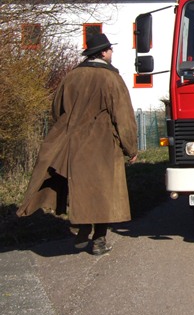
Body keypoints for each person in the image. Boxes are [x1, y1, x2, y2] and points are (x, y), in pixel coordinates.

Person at [17, 34, 138, 255]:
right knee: (103, 193)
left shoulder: (71, 77)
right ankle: (99, 240)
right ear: (103, 52)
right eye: (110, 49)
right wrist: (131, 148)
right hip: (103, 144)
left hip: (73, 142)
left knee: (81, 189)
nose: (112, 53)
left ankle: (82, 229)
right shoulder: (112, 79)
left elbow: (56, 110)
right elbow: (124, 117)